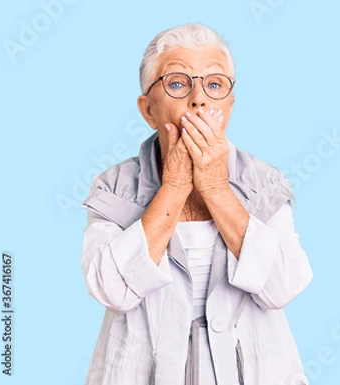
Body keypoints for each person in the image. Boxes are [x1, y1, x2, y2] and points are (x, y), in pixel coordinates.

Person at [80, 23, 313, 385]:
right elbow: (111, 290)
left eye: (214, 84)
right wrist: (173, 186)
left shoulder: (264, 183)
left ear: (229, 107)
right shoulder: (115, 187)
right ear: (148, 110)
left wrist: (217, 189)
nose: (198, 100)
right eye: (177, 83)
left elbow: (282, 287)